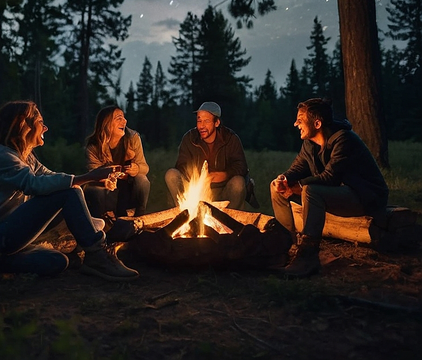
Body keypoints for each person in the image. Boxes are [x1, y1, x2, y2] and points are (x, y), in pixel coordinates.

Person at [0, 101, 139, 281]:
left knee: (57, 262)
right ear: (24, 125)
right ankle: (97, 255)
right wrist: (87, 177)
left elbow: (49, 176)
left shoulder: (25, 157)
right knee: (69, 192)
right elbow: (33, 184)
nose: (45, 128)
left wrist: (90, 180)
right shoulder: (2, 156)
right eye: (40, 122)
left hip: (3, 237)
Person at [270, 98, 389, 278]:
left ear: (317, 123)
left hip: (365, 196)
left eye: (300, 120)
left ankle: (308, 257)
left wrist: (300, 186)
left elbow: (330, 177)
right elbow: (298, 168)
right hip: (339, 194)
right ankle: (288, 244)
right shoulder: (310, 143)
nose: (296, 124)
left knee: (311, 190)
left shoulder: (344, 140)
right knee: (275, 186)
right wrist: (284, 179)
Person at [165, 101, 258, 210]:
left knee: (238, 183)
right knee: (171, 175)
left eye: (206, 121)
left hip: (223, 191)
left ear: (217, 123)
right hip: (197, 189)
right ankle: (185, 215)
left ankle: (228, 222)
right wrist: (199, 177)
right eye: (199, 121)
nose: (201, 126)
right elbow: (181, 165)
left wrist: (224, 175)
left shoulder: (230, 139)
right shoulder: (190, 138)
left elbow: (241, 167)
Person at [84, 105, 150, 219]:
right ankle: (100, 224)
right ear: (106, 123)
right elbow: (93, 174)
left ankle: (140, 217)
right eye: (119, 118)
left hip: (129, 189)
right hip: (108, 192)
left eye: (124, 117)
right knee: (92, 190)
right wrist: (108, 178)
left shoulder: (132, 138)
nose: (125, 121)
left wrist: (137, 168)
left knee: (142, 180)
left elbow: (145, 167)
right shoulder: (94, 146)